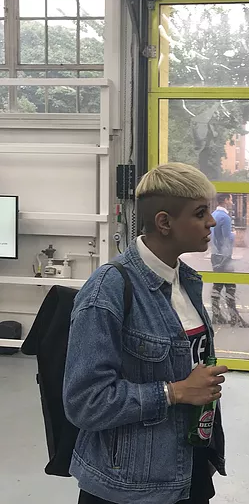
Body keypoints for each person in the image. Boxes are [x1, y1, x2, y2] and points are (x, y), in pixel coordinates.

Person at [63, 163, 229, 504]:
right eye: (200, 213)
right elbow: (85, 402)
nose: (211, 222)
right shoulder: (107, 290)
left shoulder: (187, 281)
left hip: (187, 469)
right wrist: (174, 392)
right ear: (164, 222)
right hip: (129, 486)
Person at [210, 193, 249, 328]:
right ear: (225, 200)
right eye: (230, 199)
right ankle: (235, 317)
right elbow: (227, 238)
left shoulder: (213, 215)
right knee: (230, 287)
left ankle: (216, 315)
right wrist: (234, 235)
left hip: (215, 255)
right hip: (224, 256)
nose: (232, 202)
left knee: (217, 286)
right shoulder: (225, 217)